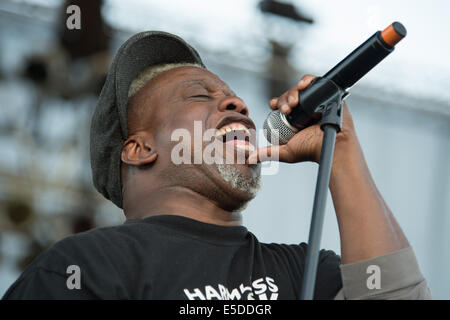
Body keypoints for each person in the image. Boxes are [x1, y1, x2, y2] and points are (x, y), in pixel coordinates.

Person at [3, 31, 431, 300]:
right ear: (138, 150)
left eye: (232, 97)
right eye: (197, 95)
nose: (238, 104)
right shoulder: (83, 268)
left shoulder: (308, 273)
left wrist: (343, 150)